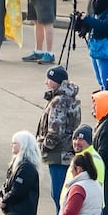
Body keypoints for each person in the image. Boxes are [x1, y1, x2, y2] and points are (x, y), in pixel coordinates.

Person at [37, 66, 81, 206]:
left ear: (57, 82)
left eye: (49, 80)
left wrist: (44, 147)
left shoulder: (59, 101)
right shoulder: (69, 97)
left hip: (58, 155)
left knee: (59, 194)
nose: (46, 82)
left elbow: (56, 130)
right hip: (67, 152)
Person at [0, 131, 41, 215]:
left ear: (23, 145)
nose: (12, 146)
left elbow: (18, 190)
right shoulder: (16, 164)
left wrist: (4, 201)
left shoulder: (27, 168)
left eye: (14, 143)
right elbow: (6, 184)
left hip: (20, 214)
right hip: (12, 212)